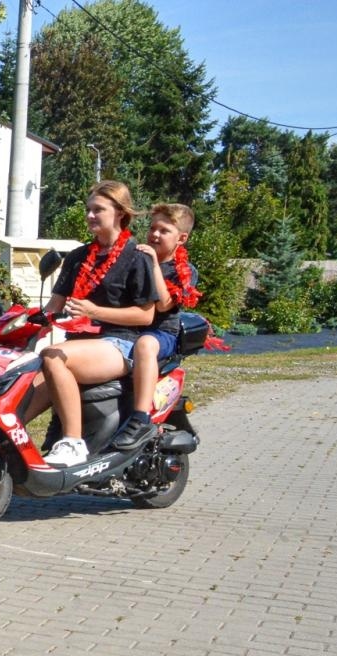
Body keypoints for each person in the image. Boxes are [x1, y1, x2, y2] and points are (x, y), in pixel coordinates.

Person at [32, 181, 157, 467]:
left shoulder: (136, 256)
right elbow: (54, 307)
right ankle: (1, 446)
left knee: (51, 356)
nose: (90, 215)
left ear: (120, 213)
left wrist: (94, 309)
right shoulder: (77, 256)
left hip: (121, 343)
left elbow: (145, 316)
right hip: (79, 344)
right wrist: (24, 320)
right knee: (23, 376)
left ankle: (73, 443)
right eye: (88, 209)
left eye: (98, 210)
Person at [113, 202, 200, 450]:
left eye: (164, 230)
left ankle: (140, 418)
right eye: (153, 228)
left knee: (146, 344)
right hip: (129, 330)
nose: (154, 234)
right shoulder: (136, 260)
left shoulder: (184, 270)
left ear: (181, 238)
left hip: (162, 334)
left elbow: (164, 305)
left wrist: (152, 264)